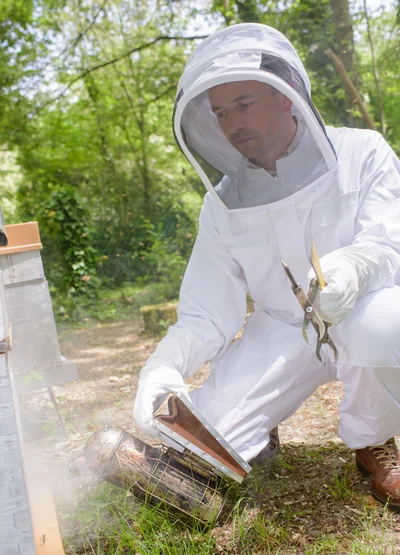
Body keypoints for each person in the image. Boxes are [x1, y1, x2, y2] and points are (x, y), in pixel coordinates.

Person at [134, 23, 400, 510]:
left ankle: (375, 438)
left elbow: (389, 240)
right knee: (203, 442)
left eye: (243, 103)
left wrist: (356, 269)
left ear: (286, 96)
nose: (231, 124)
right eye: (219, 112)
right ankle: (259, 420)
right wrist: (163, 366)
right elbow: (208, 309)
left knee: (387, 325)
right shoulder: (222, 204)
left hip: (359, 309)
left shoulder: (363, 152)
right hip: (282, 328)